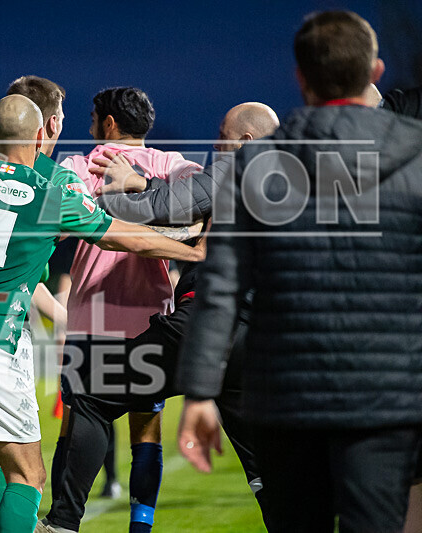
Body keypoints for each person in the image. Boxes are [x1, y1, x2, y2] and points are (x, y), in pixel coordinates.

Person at [0, 94, 206, 533]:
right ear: (42, 132)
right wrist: (191, 251)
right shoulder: (53, 185)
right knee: (26, 473)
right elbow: (128, 238)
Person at [176, 10, 422, 533]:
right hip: (384, 392)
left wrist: (199, 389)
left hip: (285, 393)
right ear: (375, 71)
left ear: (300, 77)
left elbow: (220, 286)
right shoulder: (415, 154)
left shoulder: (257, 162)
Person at [87, 101, 279, 521]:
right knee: (269, 477)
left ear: (246, 143)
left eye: (222, 138)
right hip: (264, 343)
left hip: (207, 326)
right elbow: (188, 213)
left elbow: (167, 204)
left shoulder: (239, 169)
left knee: (88, 387)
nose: (214, 144)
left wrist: (110, 193)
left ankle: (61, 522)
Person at [39, 87, 202, 533]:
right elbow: (207, 198)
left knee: (77, 424)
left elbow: (57, 217)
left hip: (92, 313)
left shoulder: (77, 166)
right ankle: (139, 529)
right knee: (146, 430)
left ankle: (62, 522)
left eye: (93, 116)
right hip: (152, 315)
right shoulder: (171, 165)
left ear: (108, 122)